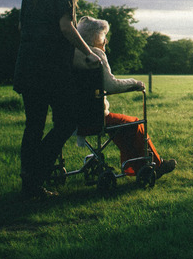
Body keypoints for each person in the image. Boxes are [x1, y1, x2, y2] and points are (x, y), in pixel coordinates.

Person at [13, 0, 101, 199]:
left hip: (27, 66)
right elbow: (66, 26)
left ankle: (29, 183)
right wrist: (88, 52)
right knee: (67, 122)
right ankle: (36, 173)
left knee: (34, 125)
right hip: (50, 69)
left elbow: (23, 27)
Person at [73, 16, 176, 178]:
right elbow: (111, 85)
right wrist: (135, 83)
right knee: (134, 123)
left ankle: (135, 167)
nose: (105, 40)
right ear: (94, 37)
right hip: (95, 117)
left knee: (122, 126)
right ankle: (156, 164)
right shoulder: (95, 54)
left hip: (74, 117)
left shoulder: (73, 54)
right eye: (103, 36)